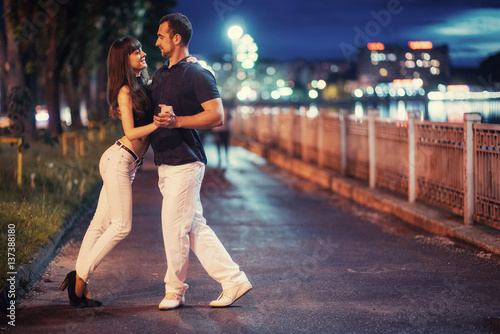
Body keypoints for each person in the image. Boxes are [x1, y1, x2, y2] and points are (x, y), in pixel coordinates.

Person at [151, 13, 252, 310]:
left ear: (176, 38)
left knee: (173, 226)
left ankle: (175, 290)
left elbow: (216, 115)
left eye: (161, 36)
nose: (156, 41)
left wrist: (178, 121)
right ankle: (233, 280)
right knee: (193, 227)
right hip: (165, 163)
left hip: (186, 161)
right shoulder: (159, 75)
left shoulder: (198, 74)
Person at [60, 36, 157, 308]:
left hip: (126, 163)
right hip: (119, 160)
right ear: (123, 60)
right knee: (121, 226)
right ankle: (80, 278)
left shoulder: (140, 85)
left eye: (141, 48)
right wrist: (157, 125)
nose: (143, 53)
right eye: (136, 52)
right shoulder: (125, 91)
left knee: (99, 224)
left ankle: (78, 281)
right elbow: (131, 132)